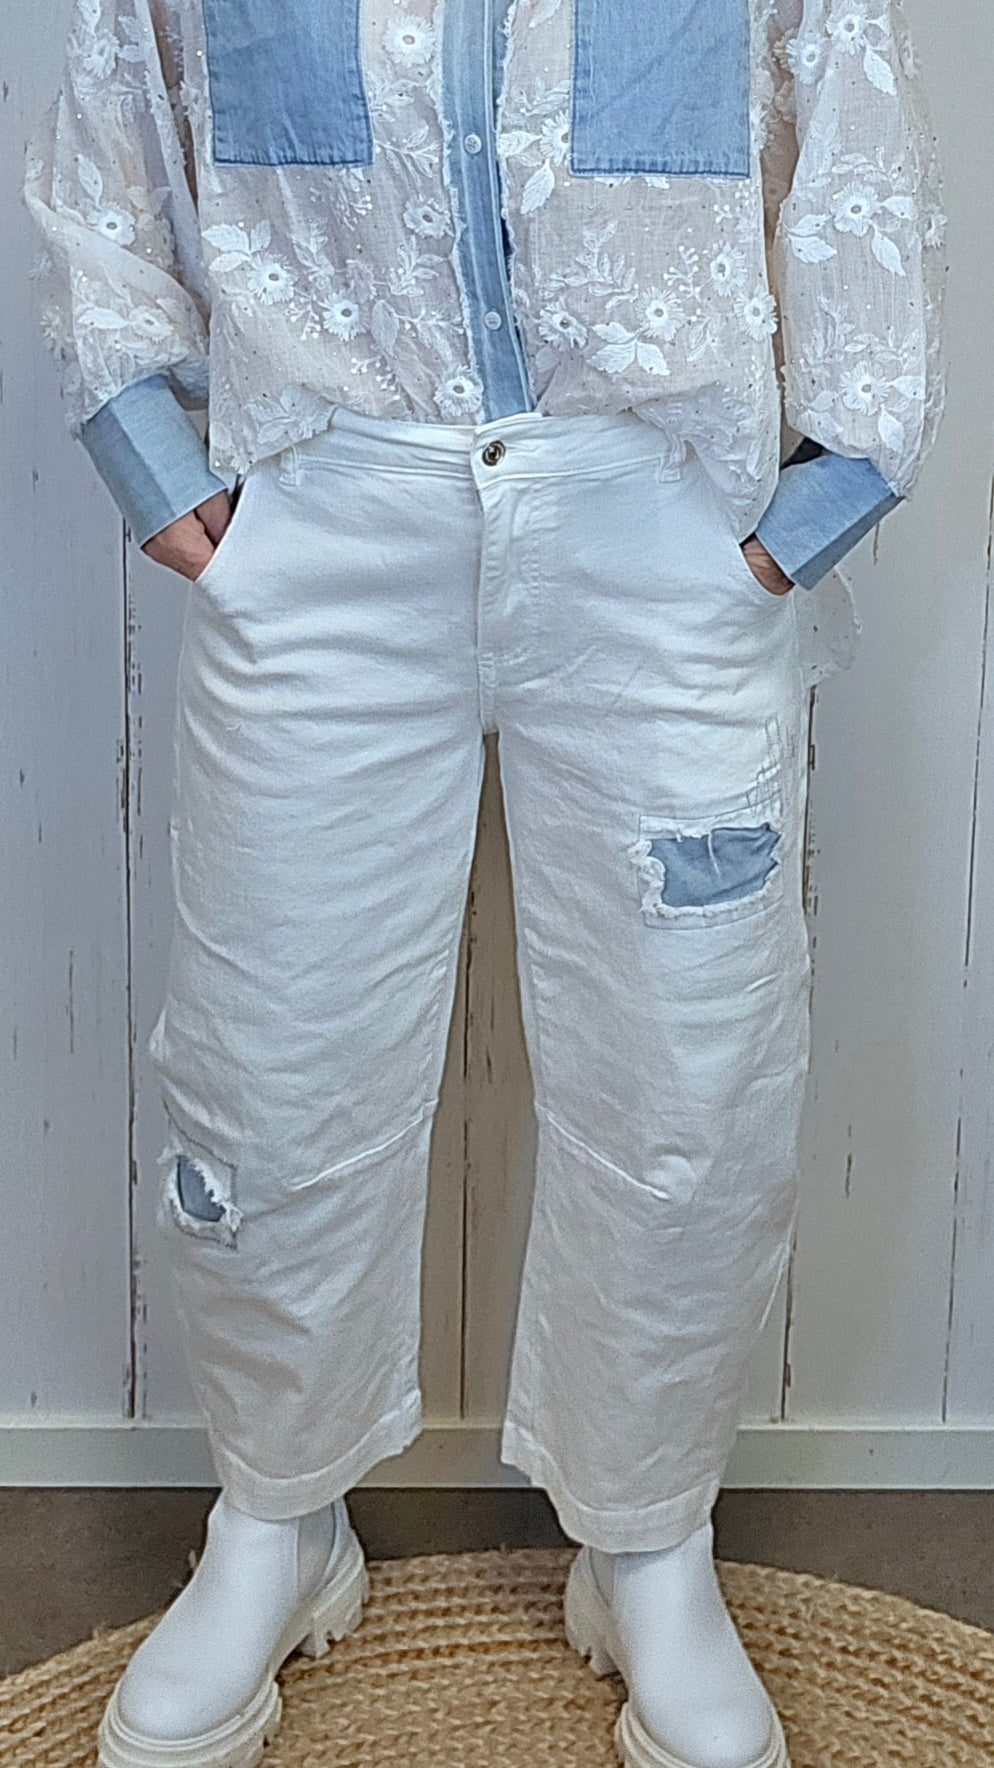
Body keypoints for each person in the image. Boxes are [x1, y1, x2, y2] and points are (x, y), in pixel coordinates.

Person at [23, 3, 945, 1766]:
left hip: (660, 523)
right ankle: (277, 1515)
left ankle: (647, 1537)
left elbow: (850, 124)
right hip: (321, 509)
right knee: (269, 1056)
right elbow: (115, 113)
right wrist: (149, 444)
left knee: (689, 1066)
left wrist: (830, 481)